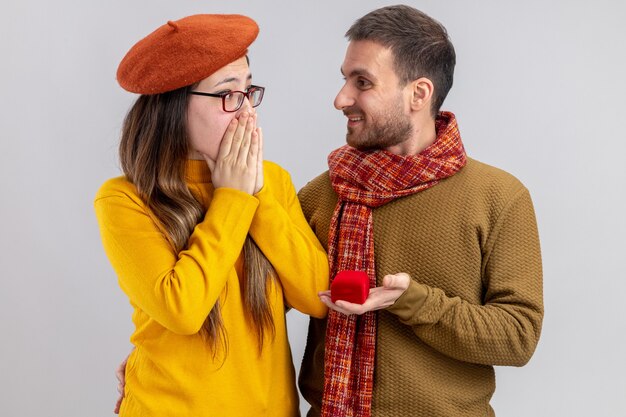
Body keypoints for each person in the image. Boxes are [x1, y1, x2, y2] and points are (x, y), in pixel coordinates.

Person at [297, 5, 543, 417]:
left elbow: (518, 337)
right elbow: (253, 308)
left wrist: (412, 302)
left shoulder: (499, 197)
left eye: (363, 83)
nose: (341, 99)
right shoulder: (321, 195)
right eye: (345, 80)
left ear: (419, 94)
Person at [94, 14, 328, 417]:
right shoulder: (123, 199)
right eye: (227, 95)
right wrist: (233, 199)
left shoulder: (272, 181)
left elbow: (318, 296)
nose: (246, 113)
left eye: (248, 90)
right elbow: (182, 310)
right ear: (173, 107)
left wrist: (255, 194)